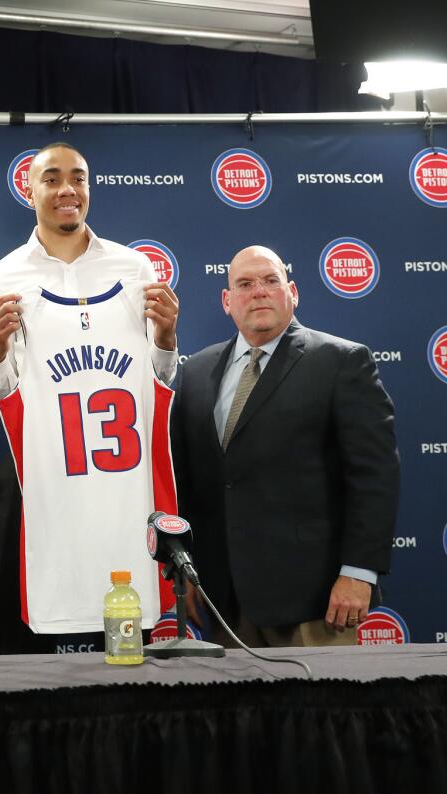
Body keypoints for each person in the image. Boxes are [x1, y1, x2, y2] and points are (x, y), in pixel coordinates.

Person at [0, 142, 180, 654]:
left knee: (132, 639)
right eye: (52, 179)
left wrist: (167, 340)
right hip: (48, 488)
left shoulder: (135, 270)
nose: (67, 189)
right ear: (29, 191)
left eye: (78, 178)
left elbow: (159, 384)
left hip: (124, 490)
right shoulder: (1, 279)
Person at [170, 244, 399, 647]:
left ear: (292, 292)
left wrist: (359, 573)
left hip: (316, 603)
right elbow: (189, 485)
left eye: (270, 280)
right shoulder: (196, 371)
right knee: (234, 713)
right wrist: (184, 573)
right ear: (227, 301)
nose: (258, 291)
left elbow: (374, 479)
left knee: (323, 711)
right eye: (244, 283)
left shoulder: (342, 362)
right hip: (224, 602)